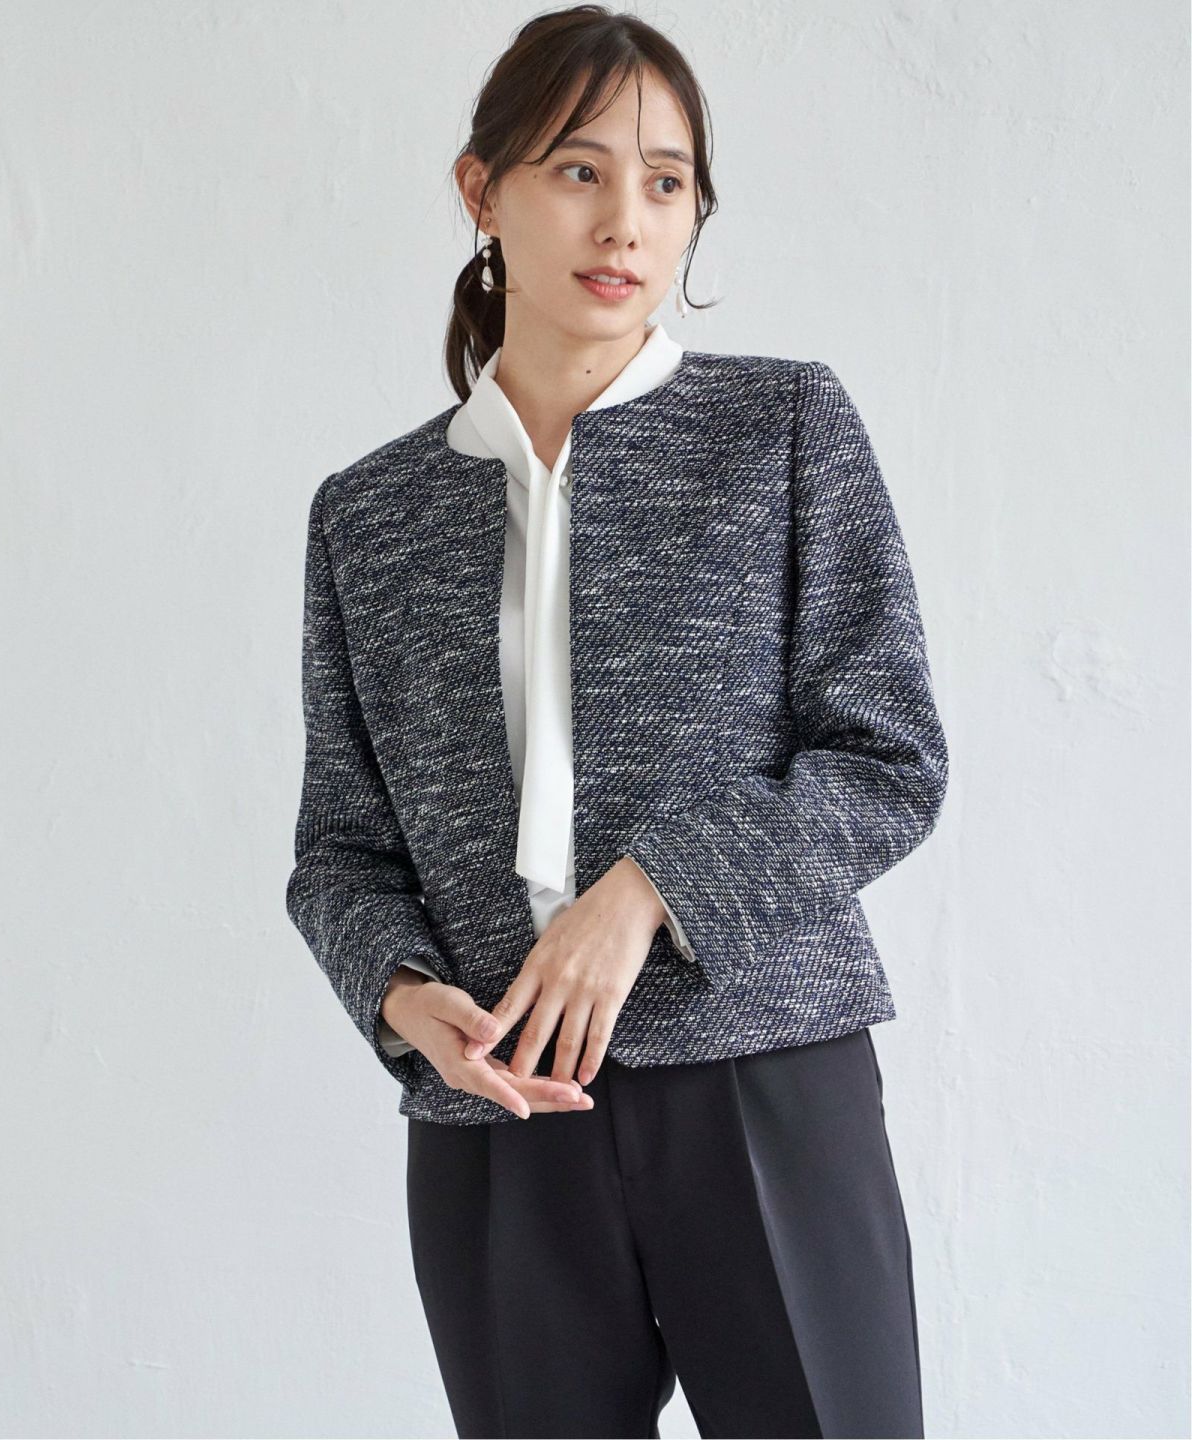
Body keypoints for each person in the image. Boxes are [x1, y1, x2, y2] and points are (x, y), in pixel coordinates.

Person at [285, 7, 949, 1437]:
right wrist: (402, 998)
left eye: (666, 181)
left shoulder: (782, 431)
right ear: (484, 191)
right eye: (579, 171)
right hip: (496, 1111)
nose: (626, 221)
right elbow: (339, 851)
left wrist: (647, 892)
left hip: (760, 1075)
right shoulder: (369, 515)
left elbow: (888, 761)